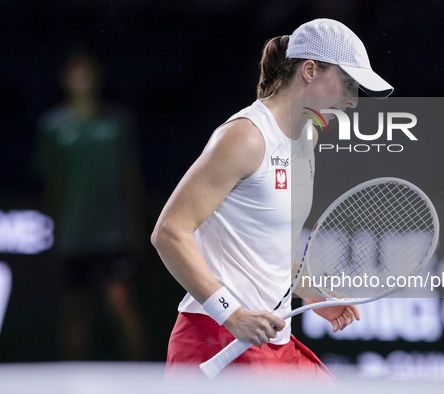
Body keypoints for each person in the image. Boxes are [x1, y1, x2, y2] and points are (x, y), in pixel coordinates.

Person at [151, 19, 393, 380]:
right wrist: (231, 313)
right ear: (310, 70)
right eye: (347, 84)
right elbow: (170, 232)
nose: (352, 102)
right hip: (216, 338)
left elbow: (271, 242)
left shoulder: (305, 140)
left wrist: (310, 292)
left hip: (271, 339)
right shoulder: (246, 137)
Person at [34, 51, 148, 361]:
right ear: (66, 79)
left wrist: (135, 227)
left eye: (88, 71)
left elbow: (131, 178)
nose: (82, 77)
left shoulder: (117, 122)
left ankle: (145, 378)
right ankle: (69, 379)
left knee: (121, 303)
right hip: (74, 235)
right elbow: (53, 186)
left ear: (98, 78)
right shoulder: (53, 126)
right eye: (75, 71)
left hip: (112, 233)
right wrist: (55, 231)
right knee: (75, 311)